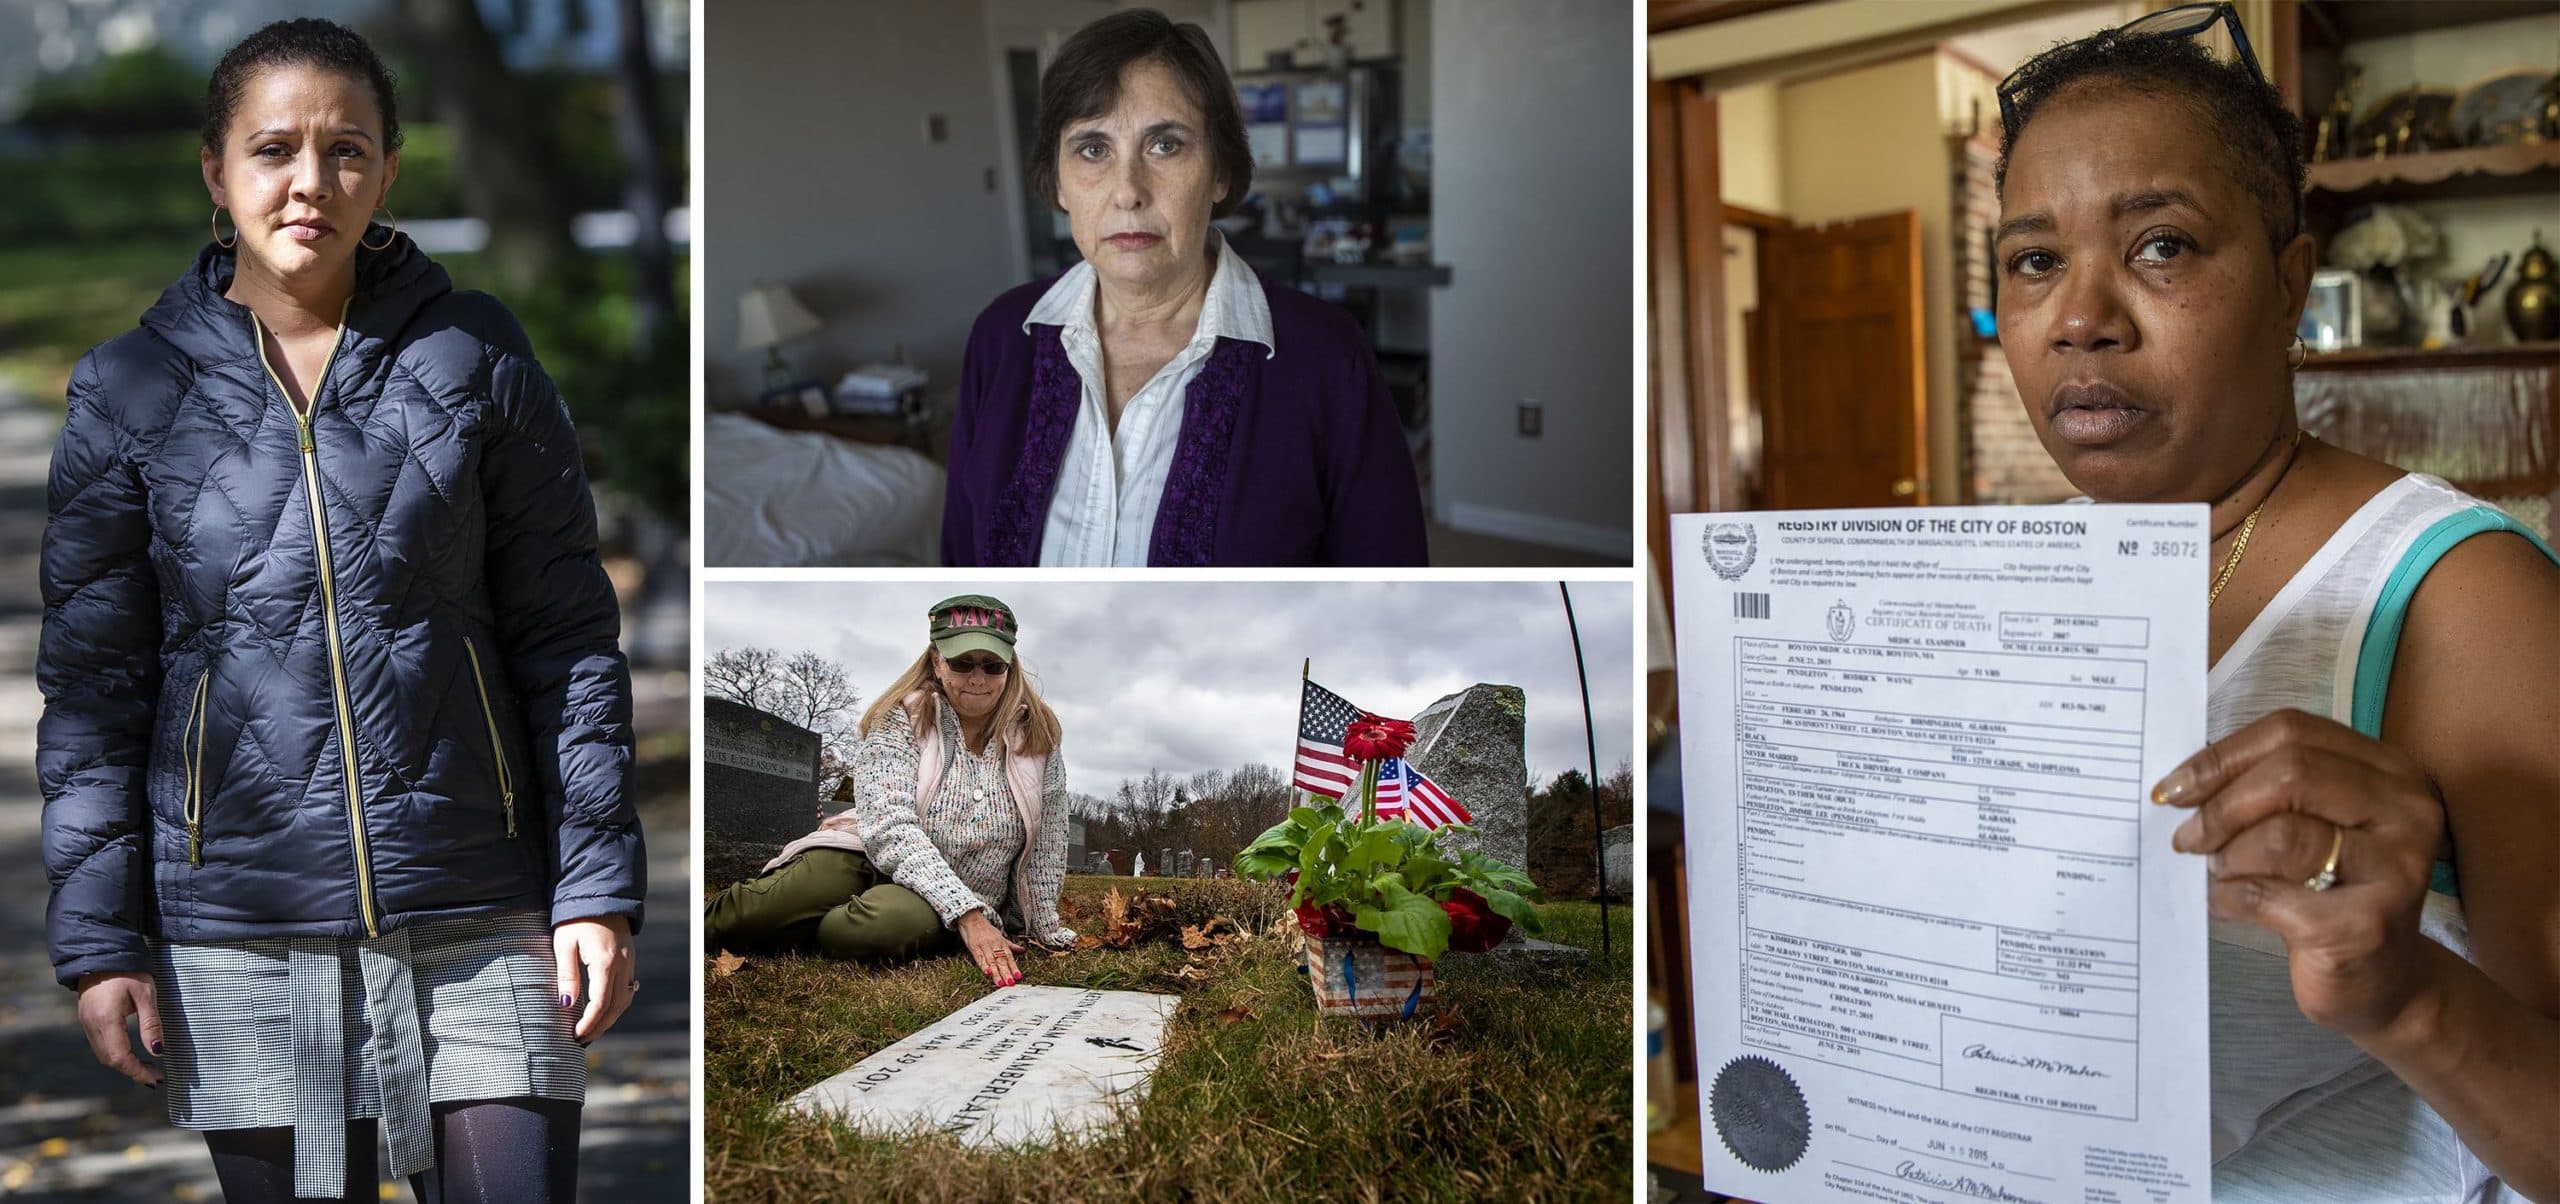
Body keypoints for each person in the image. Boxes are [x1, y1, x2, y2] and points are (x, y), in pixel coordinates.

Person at [36, 20, 643, 1202]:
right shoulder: (126, 389)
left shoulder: (479, 356)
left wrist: (594, 888)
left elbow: (567, 640)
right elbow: (95, 689)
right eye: (274, 149)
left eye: (347, 149)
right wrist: (101, 943)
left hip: (478, 906)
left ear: (389, 171)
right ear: (216, 170)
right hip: (240, 926)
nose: (311, 182)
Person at [1993, 6, 2560, 1199]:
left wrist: (2406, 995)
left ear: (2291, 282)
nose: (2079, 315)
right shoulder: (2016, 583)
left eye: (2160, 245)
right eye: (2034, 259)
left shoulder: (2458, 598)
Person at [941, 8, 1427, 567]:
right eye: (1093, 149)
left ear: (1221, 172)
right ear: (1058, 182)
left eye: (1165, 145)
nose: (1128, 192)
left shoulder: (1327, 357)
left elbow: (1387, 574)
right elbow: (961, 560)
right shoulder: (1001, 338)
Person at [704, 595, 1075, 986]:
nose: (977, 678)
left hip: (937, 895)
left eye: (992, 665)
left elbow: (1048, 844)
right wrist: (968, 915)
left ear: (1009, 666)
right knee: (755, 913)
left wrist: (1041, 926)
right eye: (961, 663)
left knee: (877, 929)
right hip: (862, 853)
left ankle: (808, 928)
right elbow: (888, 824)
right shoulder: (902, 716)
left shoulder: (1039, 740)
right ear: (936, 660)